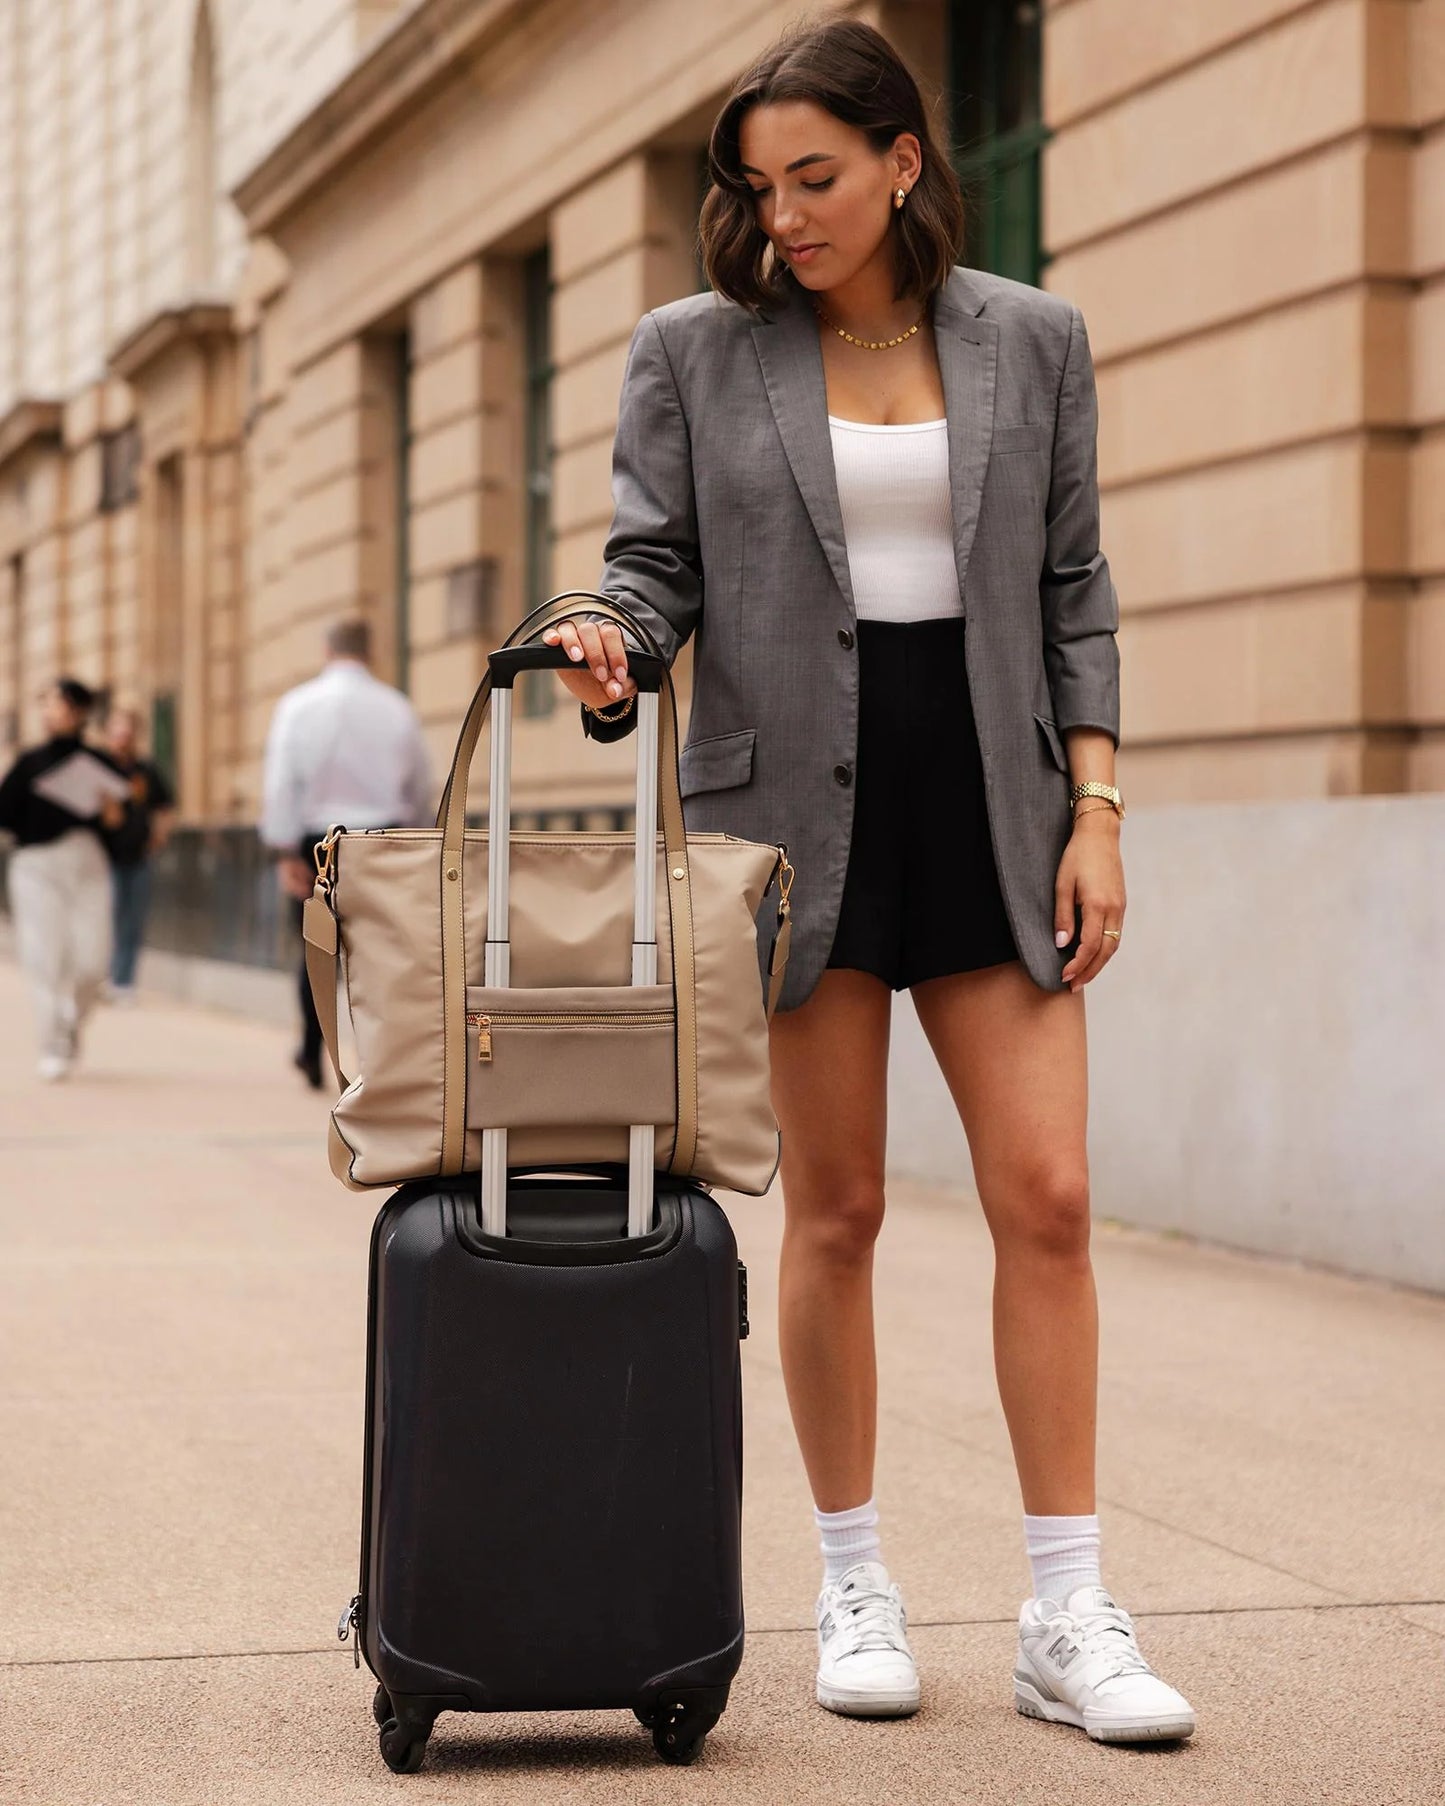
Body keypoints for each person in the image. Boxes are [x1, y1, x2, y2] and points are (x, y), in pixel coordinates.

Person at [542, 18, 1195, 1748]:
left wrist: (1101, 805)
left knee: (1047, 1196)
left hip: (991, 800)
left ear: (906, 158)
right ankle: (854, 1580)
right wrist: (619, 642)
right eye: (759, 188)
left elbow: (1075, 588)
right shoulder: (695, 349)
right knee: (836, 1216)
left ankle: (1067, 1610)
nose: (786, 216)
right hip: (791, 825)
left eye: (816, 177)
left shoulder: (1032, 341)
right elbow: (653, 562)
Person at [259, 618, 433, 1087]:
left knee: (316, 951)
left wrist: (283, 850)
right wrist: (419, 839)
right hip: (383, 839)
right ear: (370, 650)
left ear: (326, 649)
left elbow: (281, 783)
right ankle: (379, 1061)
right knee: (379, 953)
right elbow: (420, 784)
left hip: (318, 842)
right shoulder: (396, 708)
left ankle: (314, 1053)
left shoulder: (297, 705)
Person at [0, 677, 127, 1079]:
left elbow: (125, 829)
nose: (48, 712)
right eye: (45, 704)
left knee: (93, 960)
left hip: (87, 864)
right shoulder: (28, 763)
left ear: (78, 711)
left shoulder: (101, 764)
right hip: (35, 866)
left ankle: (70, 1018)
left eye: (55, 704)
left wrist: (113, 816)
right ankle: (54, 1040)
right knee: (43, 958)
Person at [100, 705, 175, 1003]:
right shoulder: (100, 766)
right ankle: (106, 975)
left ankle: (124, 981)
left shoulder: (145, 771)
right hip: (106, 858)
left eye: (128, 730)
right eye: (118, 729)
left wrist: (159, 836)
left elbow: (166, 806)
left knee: (134, 919)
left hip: (139, 856)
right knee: (109, 918)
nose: (123, 736)